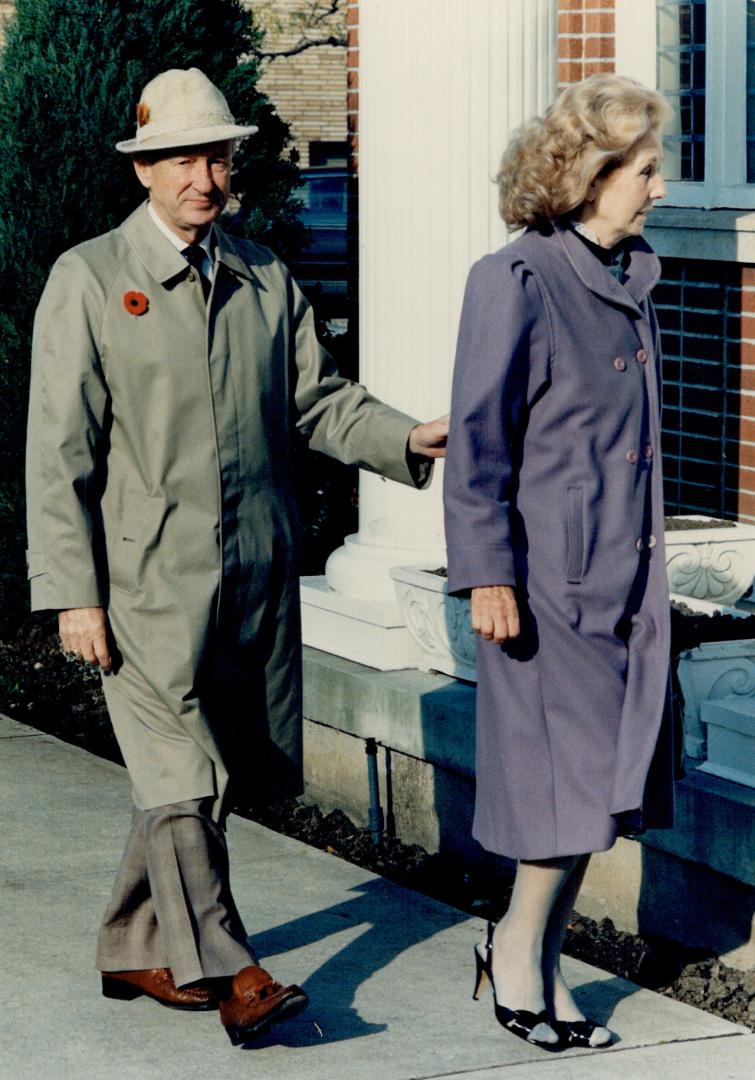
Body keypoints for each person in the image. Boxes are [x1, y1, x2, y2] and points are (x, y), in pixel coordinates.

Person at [25, 67, 447, 1047]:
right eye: (180, 157)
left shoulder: (262, 278)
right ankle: (230, 969)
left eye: (215, 155)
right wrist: (72, 596)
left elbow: (319, 403)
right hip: (142, 589)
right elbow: (59, 457)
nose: (201, 176)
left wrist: (406, 438)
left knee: (216, 774)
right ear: (143, 171)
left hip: (255, 579)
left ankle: (134, 947)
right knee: (181, 776)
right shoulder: (87, 282)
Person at [444, 74, 674, 1051]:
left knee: (598, 791)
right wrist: (485, 574)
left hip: (624, 583)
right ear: (588, 174)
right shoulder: (519, 280)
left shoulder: (627, 280)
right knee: (570, 791)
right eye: (644, 170)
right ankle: (518, 951)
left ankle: (525, 951)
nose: (657, 187)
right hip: (544, 589)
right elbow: (476, 439)